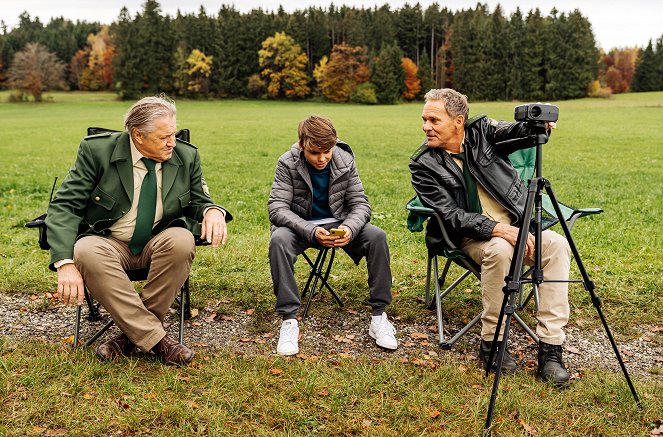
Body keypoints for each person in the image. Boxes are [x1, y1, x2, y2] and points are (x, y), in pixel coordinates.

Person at [46, 95, 232, 365]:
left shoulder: (186, 155)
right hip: (109, 243)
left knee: (181, 240)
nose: (172, 142)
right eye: (164, 137)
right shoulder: (97, 152)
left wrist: (212, 210)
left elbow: (198, 202)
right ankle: (159, 341)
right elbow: (64, 206)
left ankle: (128, 337)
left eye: (173, 134)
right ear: (138, 135)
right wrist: (64, 262)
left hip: (158, 241)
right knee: (84, 249)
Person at [409, 89, 571, 386]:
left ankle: (550, 349)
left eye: (434, 119)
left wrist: (538, 126)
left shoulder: (483, 132)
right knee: (499, 249)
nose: (426, 126)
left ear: (458, 121)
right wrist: (496, 229)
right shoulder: (423, 164)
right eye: (424, 119)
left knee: (557, 245)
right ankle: (493, 343)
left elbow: (514, 132)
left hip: (515, 226)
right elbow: (449, 215)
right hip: (470, 237)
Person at [268, 115, 397, 356]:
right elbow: (277, 209)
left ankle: (379, 316)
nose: (322, 158)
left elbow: (360, 204)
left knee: (377, 236)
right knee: (278, 240)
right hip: (302, 226)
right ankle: (289, 320)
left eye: (327, 151)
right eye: (315, 152)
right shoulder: (287, 163)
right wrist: (312, 231)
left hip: (339, 223)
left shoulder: (344, 159)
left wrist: (349, 228)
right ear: (301, 144)